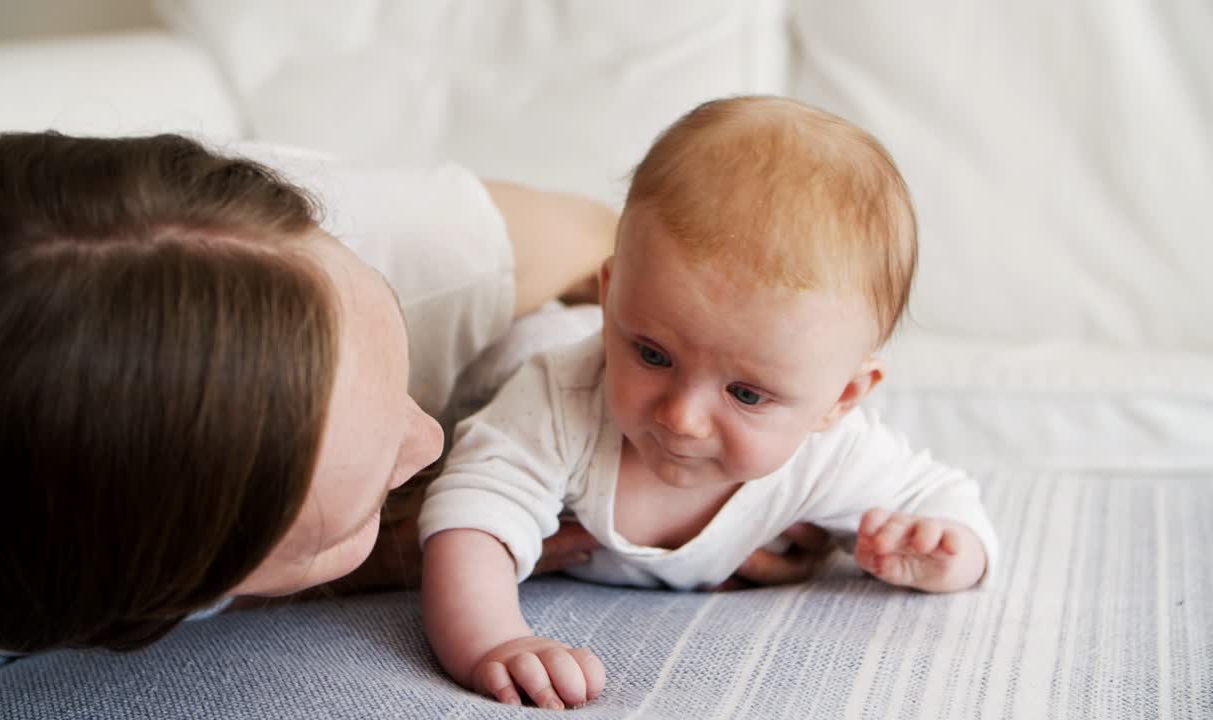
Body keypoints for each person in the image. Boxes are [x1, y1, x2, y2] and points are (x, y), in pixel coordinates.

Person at [0, 131, 829, 693]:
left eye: (395, 349)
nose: (438, 440)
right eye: (353, 499)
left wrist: (713, 448)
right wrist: (391, 547)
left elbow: (642, 256)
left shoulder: (423, 245)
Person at [418, 96, 1002, 709]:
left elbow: (950, 505)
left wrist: (943, 553)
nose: (681, 417)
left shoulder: (832, 454)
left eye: (746, 393)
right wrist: (495, 642)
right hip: (525, 348)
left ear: (841, 398)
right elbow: (471, 522)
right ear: (612, 294)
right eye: (652, 353)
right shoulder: (557, 401)